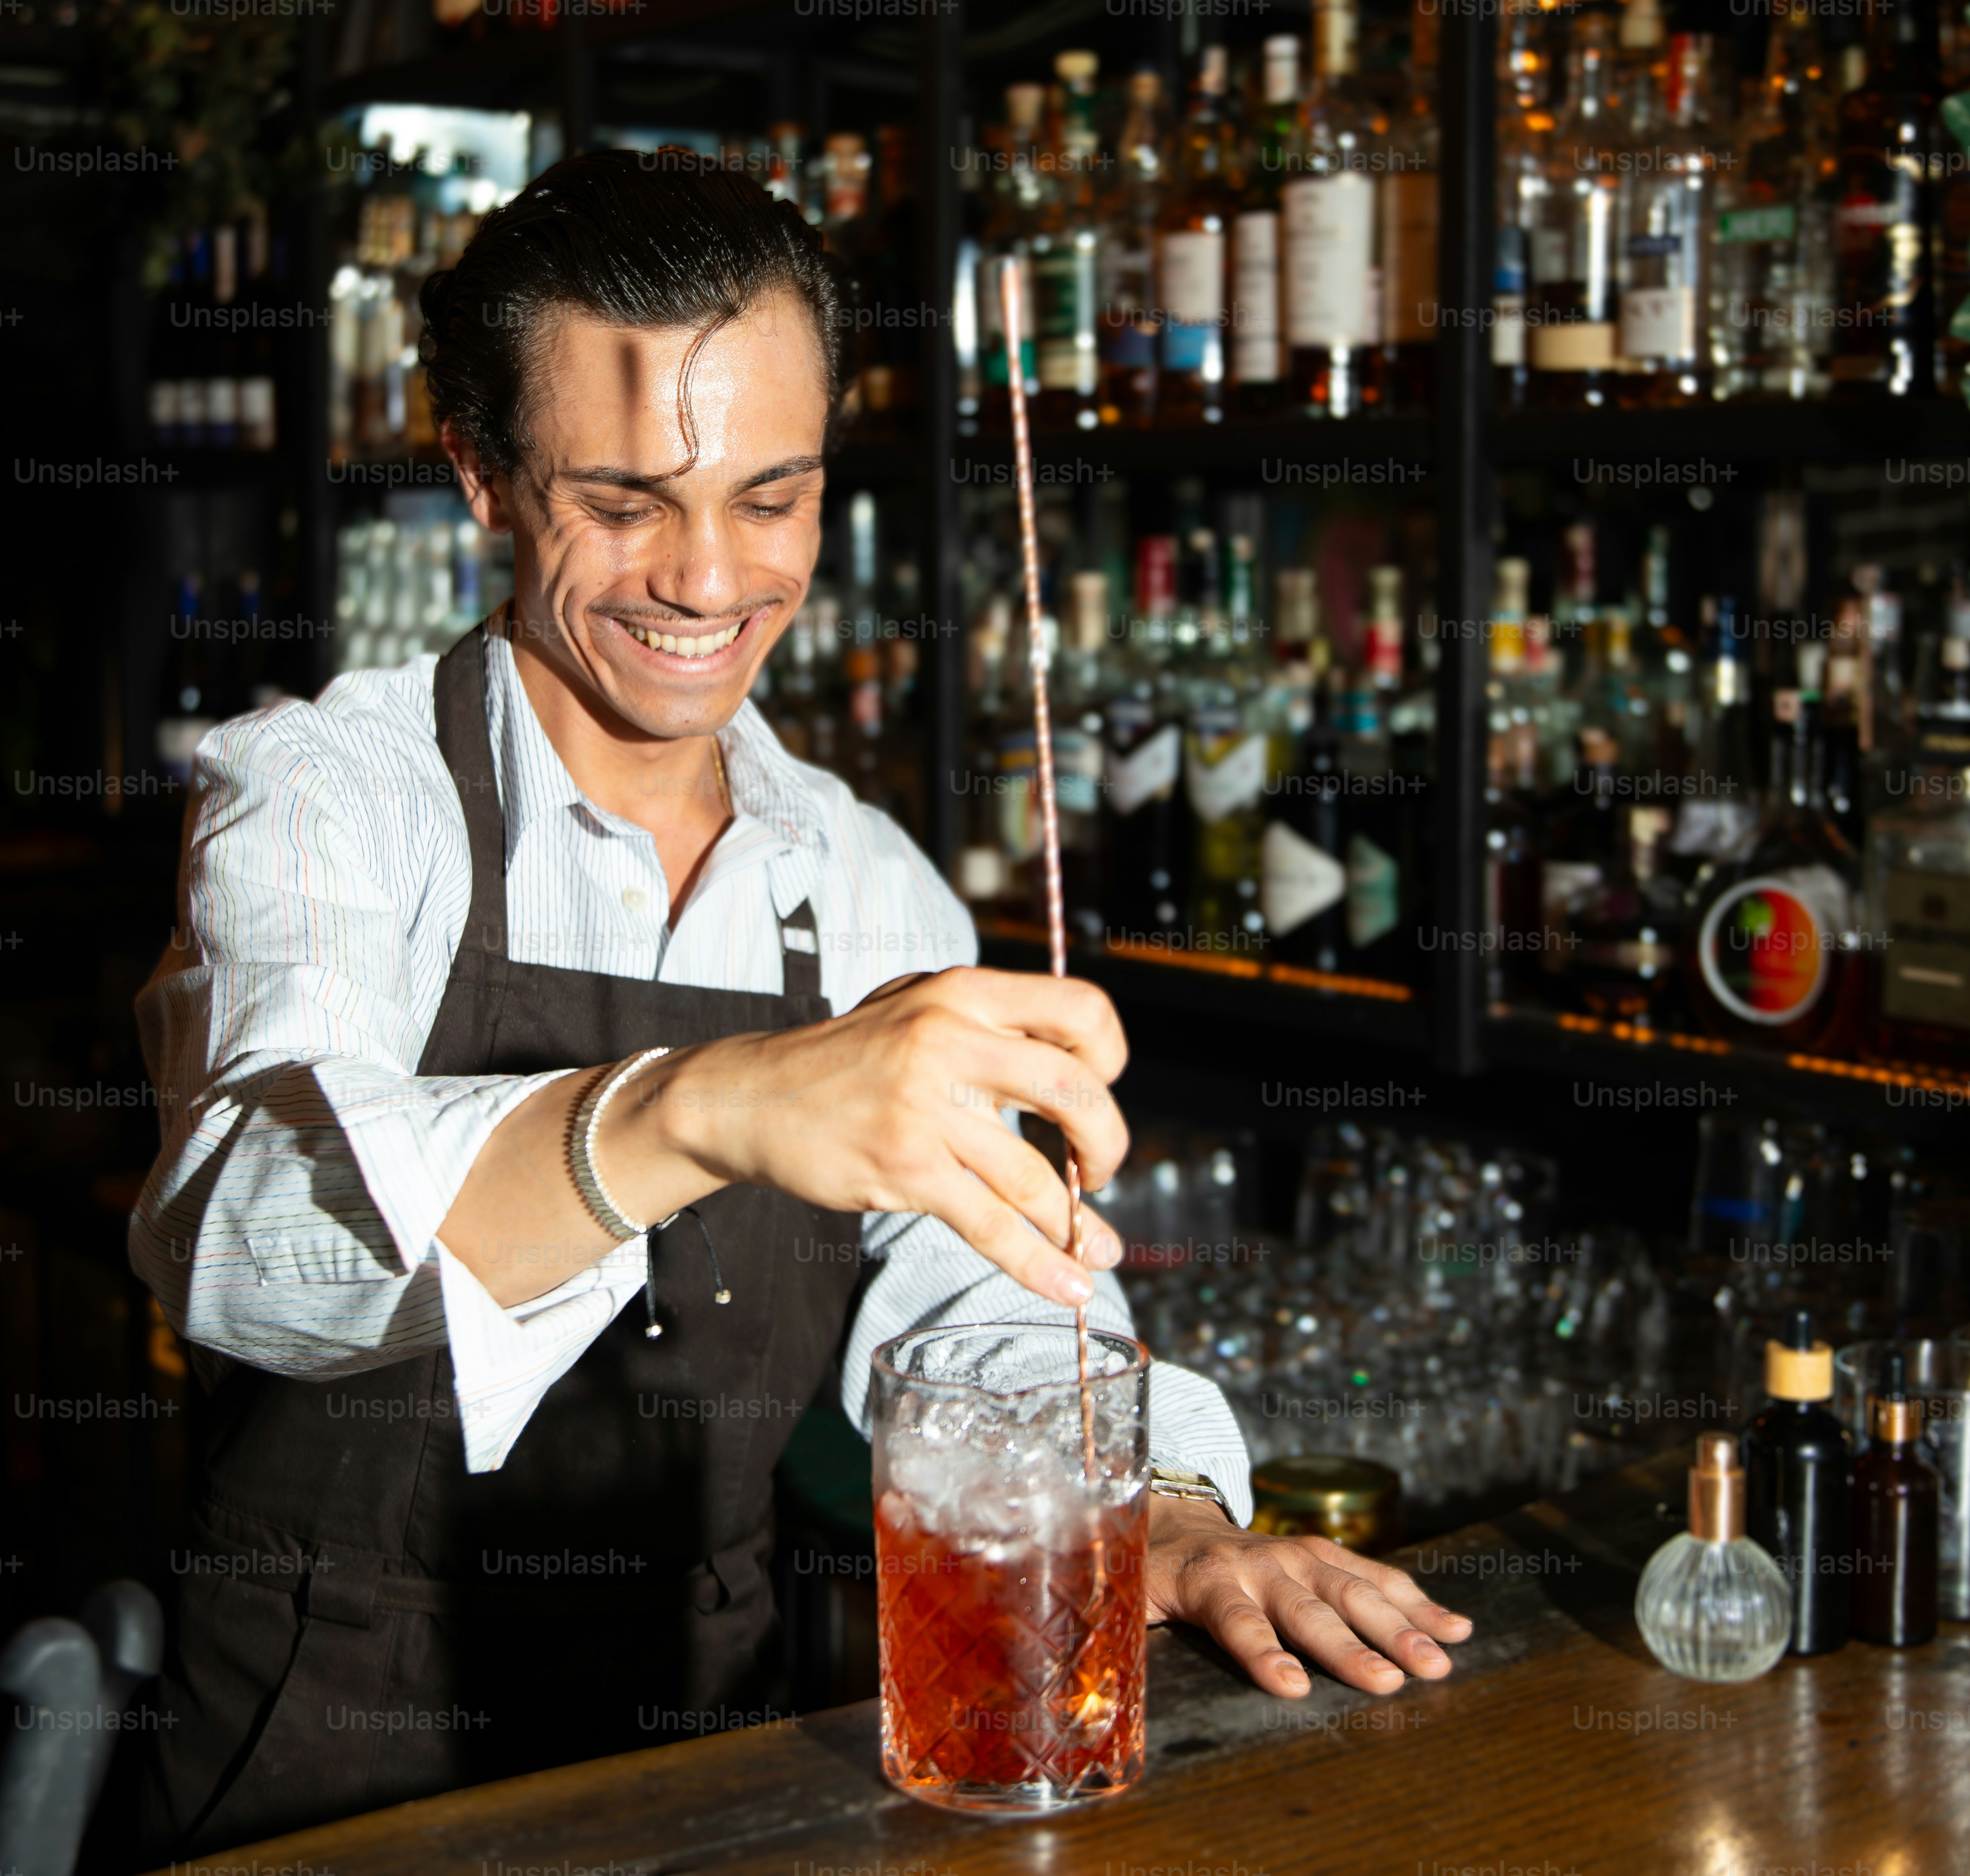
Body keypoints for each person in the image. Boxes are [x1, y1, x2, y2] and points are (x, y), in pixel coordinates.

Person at [131, 148, 1471, 1856]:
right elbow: (246, 1246)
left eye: (772, 498)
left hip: (715, 1782)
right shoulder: (331, 794)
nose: (709, 579)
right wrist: (705, 1105)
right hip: (326, 1793)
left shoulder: (863, 882)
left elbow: (987, 1313)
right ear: (480, 473)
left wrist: (1166, 1522)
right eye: (623, 503)